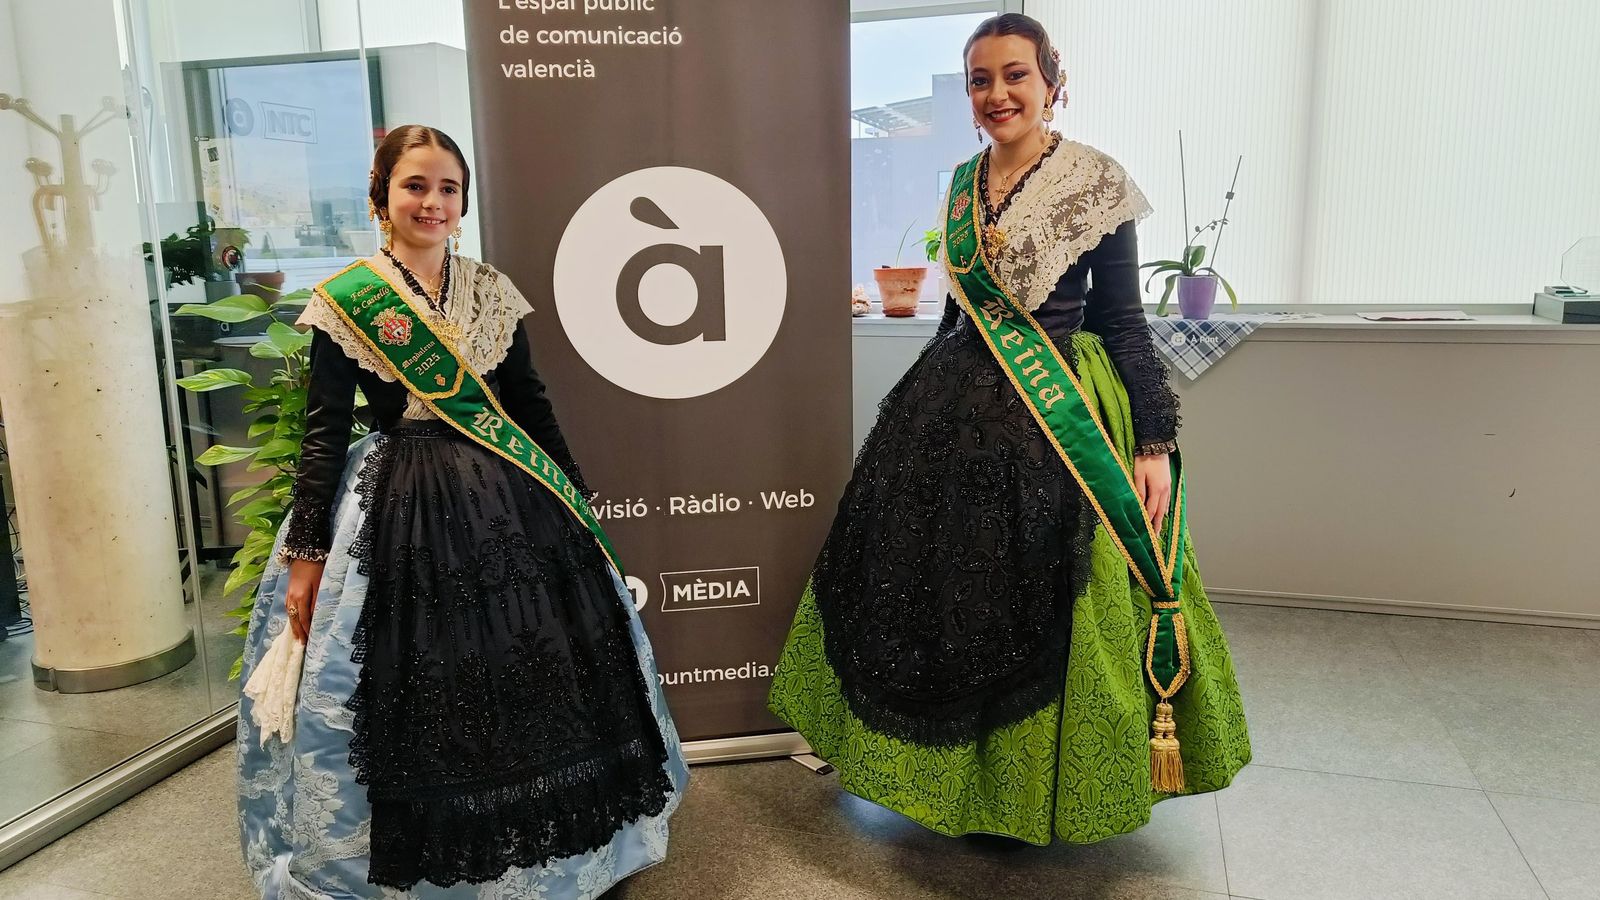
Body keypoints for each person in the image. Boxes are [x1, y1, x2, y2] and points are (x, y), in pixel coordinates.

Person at [768, 14, 1250, 846]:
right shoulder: (961, 185)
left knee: (1043, 598)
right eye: (980, 80)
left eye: (1015, 75)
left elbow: (1125, 325)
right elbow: (962, 317)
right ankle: (952, 787)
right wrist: (929, 411)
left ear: (1052, 82)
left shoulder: (1097, 182)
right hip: (954, 417)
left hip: (1059, 419)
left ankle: (1027, 796)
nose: (998, 94)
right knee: (944, 595)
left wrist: (1153, 442)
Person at [236, 124, 686, 897]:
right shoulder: (347, 301)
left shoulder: (490, 289)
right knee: (421, 676)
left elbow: (531, 408)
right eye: (415, 185)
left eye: (448, 187)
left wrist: (576, 504)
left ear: (464, 201)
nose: (432, 202)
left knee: (530, 663)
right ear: (382, 198)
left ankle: (551, 844)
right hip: (395, 503)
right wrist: (306, 555)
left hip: (509, 499)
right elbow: (321, 433)